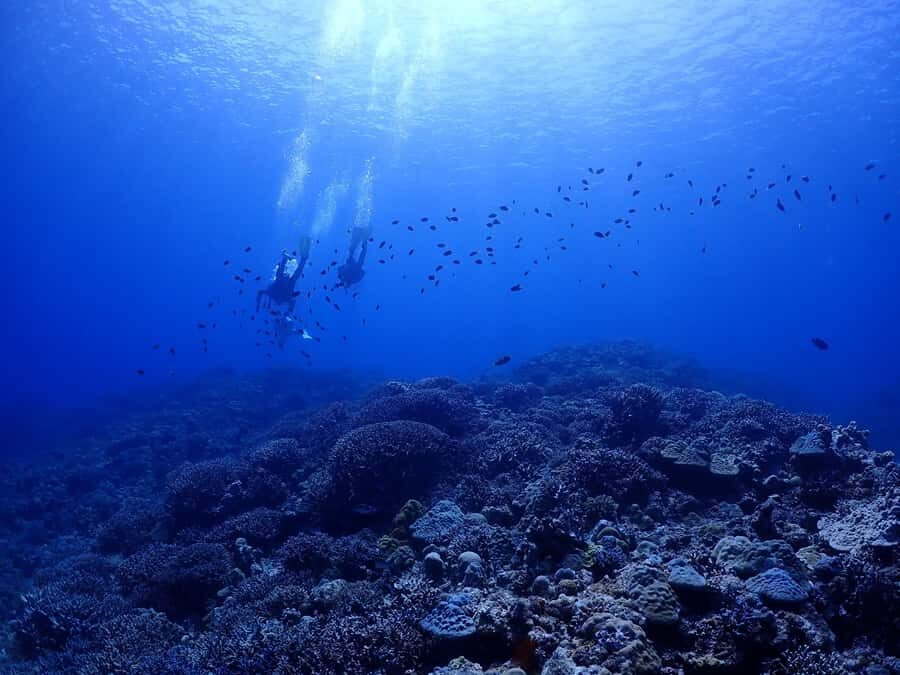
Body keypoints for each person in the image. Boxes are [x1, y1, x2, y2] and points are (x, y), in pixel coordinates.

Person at [257, 236, 311, 313]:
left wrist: (258, 305)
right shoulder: (283, 297)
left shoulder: (276, 295)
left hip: (282, 286)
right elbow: (261, 292)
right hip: (284, 286)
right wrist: (289, 312)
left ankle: (290, 259)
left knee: (286, 278)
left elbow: (260, 292)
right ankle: (291, 259)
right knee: (290, 278)